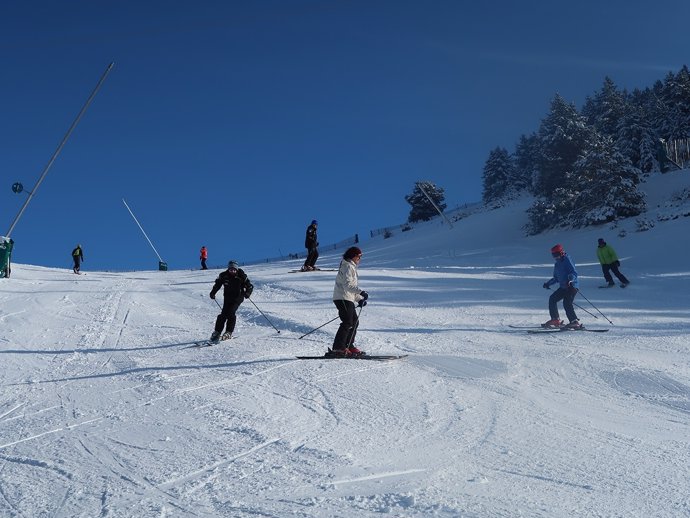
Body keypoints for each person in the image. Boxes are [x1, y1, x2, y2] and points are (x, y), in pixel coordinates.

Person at [329, 246, 368, 357]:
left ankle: (348, 345)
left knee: (354, 322)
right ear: (353, 256)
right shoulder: (347, 266)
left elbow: (350, 288)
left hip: (347, 298)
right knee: (347, 322)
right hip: (342, 298)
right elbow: (347, 286)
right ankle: (338, 347)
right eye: (359, 257)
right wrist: (361, 292)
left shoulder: (351, 267)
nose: (359, 259)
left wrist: (359, 299)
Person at [209, 261, 253, 342]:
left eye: (234, 269)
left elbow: (250, 286)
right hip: (227, 297)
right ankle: (217, 332)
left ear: (236, 269)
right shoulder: (223, 275)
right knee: (223, 315)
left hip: (238, 297)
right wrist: (213, 292)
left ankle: (229, 332)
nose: (232, 271)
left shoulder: (241, 276)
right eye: (230, 269)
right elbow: (217, 284)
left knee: (231, 313)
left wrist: (247, 293)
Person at [542, 244, 581, 329]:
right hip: (564, 287)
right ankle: (555, 319)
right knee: (552, 299)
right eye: (554, 255)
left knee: (567, 303)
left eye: (557, 255)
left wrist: (570, 280)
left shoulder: (567, 259)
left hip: (572, 286)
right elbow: (556, 278)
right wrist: (548, 283)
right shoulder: (557, 264)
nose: (556, 257)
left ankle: (574, 322)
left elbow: (574, 272)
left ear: (562, 252)